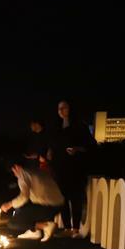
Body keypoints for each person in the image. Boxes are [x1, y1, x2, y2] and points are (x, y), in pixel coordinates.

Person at [49, 100, 96, 236]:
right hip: (60, 168)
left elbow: (91, 145)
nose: (61, 111)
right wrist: (50, 151)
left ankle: (76, 228)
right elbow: (52, 144)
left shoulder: (80, 126)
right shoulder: (56, 127)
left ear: (70, 109)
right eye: (59, 108)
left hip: (76, 168)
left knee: (76, 198)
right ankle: (67, 228)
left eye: (64, 107)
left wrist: (77, 149)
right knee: (62, 198)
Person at [1, 159, 64, 241]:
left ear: (16, 167)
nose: (15, 175)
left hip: (47, 206)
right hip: (59, 205)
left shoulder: (23, 174)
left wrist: (9, 204)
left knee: (13, 223)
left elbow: (23, 197)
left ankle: (45, 226)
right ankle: (34, 231)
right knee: (20, 208)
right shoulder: (37, 171)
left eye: (13, 172)